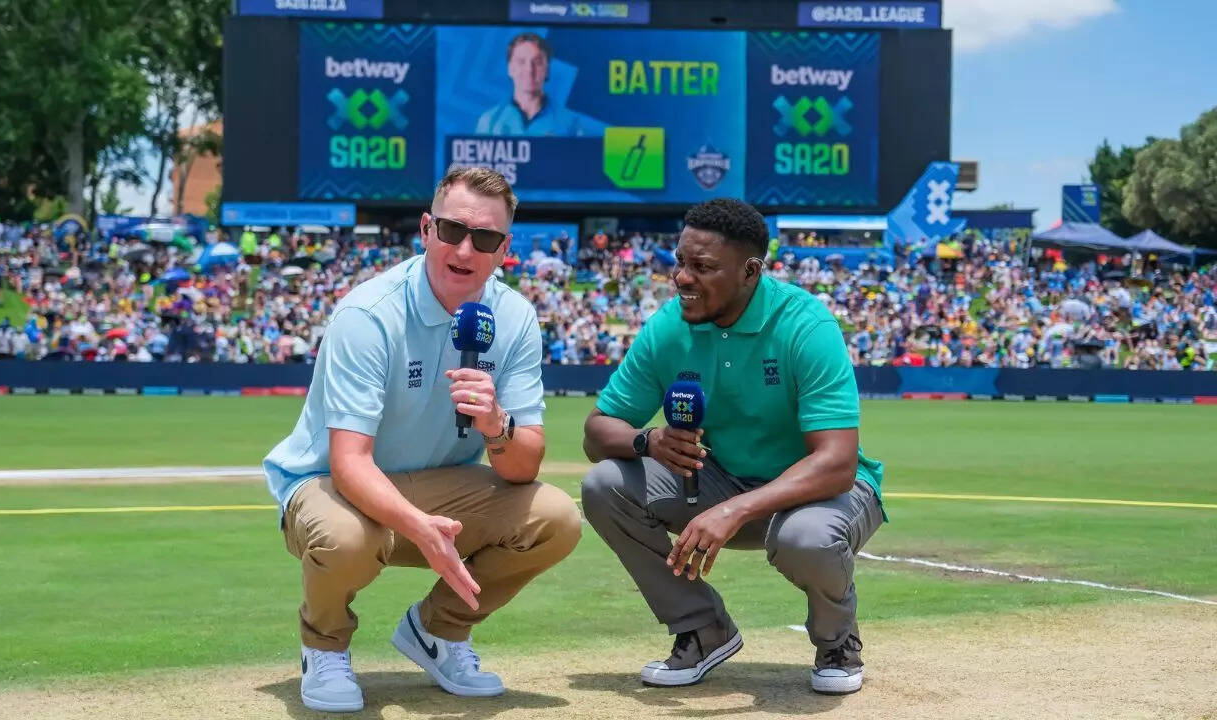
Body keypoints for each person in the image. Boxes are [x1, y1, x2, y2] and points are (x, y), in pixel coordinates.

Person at [263, 167, 581, 713]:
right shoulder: (368, 314)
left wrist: (497, 425)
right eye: (452, 230)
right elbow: (348, 462)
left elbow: (523, 465)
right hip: (329, 485)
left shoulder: (514, 318)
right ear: (426, 229)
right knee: (347, 538)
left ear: (504, 248)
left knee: (557, 518)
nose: (465, 249)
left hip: (440, 487)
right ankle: (324, 645)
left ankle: (438, 631)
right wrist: (418, 528)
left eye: (483, 238)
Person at [580, 198, 885, 696]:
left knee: (806, 539)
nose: (682, 278)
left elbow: (837, 463)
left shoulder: (805, 324)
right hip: (721, 480)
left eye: (702, 267)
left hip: (821, 493)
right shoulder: (669, 326)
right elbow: (596, 432)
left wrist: (735, 511)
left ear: (750, 271)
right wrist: (649, 439)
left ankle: (837, 640)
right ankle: (703, 630)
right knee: (604, 485)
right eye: (680, 262)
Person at [474, 32, 595, 137]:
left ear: (547, 70)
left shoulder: (570, 123)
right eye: (521, 62)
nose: (529, 70)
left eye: (537, 62)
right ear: (510, 69)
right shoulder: (489, 121)